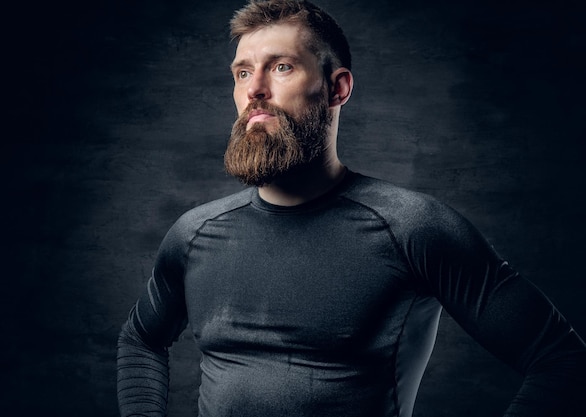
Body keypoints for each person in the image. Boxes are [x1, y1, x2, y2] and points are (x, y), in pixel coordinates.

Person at [116, 1, 586, 416]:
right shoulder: (194, 232)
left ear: (337, 88)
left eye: (280, 67)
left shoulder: (412, 227)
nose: (254, 89)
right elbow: (141, 340)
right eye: (242, 72)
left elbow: (562, 361)